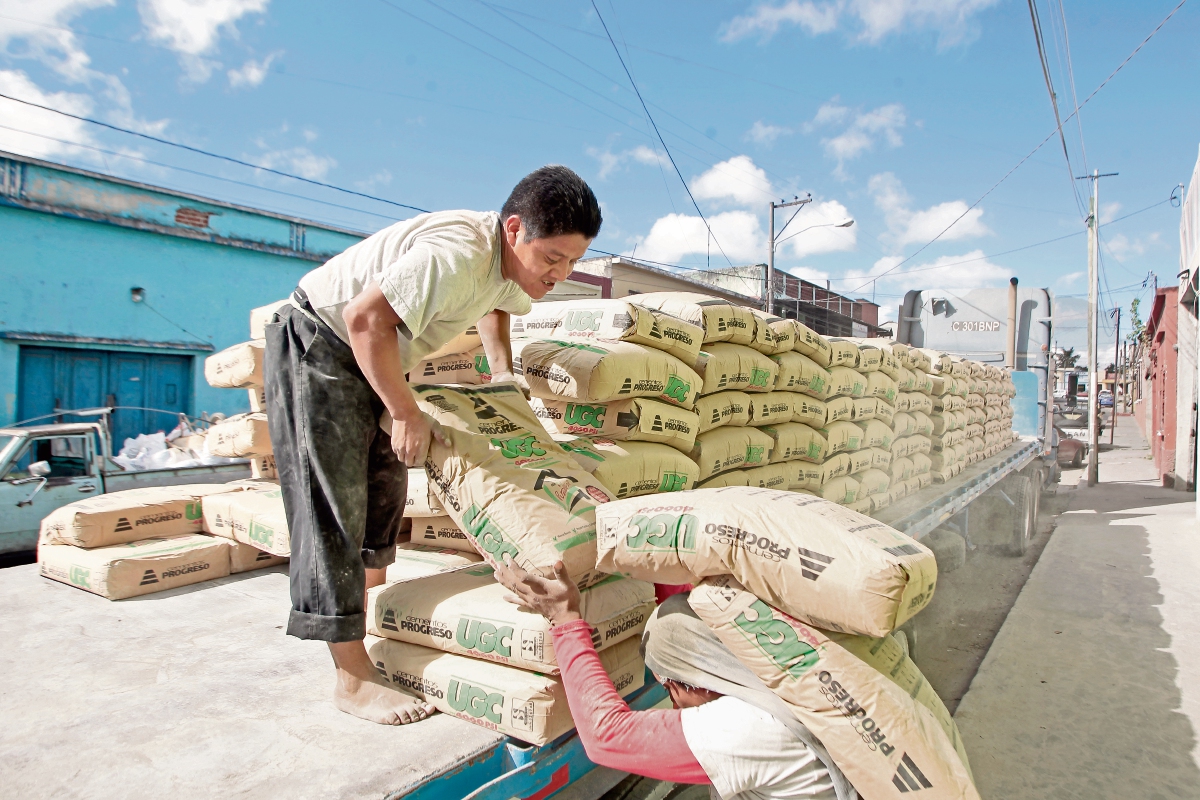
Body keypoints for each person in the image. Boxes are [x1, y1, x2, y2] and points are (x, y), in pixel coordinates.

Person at [263, 166, 602, 724]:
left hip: (377, 353)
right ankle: (349, 679)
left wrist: (501, 375)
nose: (560, 274)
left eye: (573, 262)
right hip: (321, 343)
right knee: (334, 509)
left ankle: (363, 635)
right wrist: (404, 410)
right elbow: (364, 317)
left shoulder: (509, 266)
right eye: (552, 259)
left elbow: (495, 305)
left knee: (384, 496)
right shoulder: (457, 253)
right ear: (514, 229)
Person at [495, 560, 858, 800]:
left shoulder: (749, 728)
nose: (671, 698)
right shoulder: (782, 673)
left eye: (670, 683)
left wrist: (565, 619)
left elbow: (606, 735)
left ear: (701, 677)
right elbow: (691, 622)